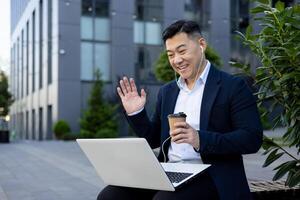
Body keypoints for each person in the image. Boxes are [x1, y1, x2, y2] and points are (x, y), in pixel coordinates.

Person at [98, 20, 263, 200]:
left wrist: (200, 139)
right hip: (168, 171)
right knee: (110, 195)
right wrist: (136, 113)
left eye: (182, 51)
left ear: (201, 45)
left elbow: (251, 139)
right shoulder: (167, 91)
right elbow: (153, 139)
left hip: (211, 175)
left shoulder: (233, 87)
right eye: (170, 54)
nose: (176, 60)